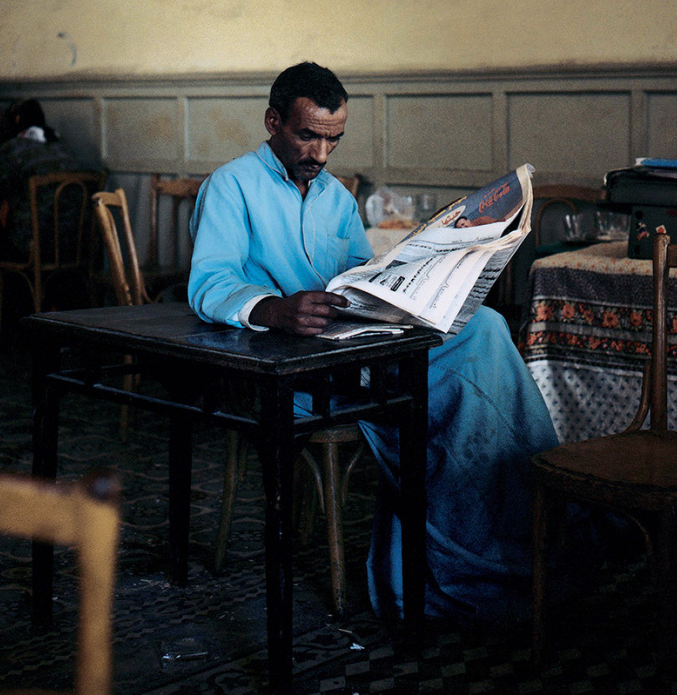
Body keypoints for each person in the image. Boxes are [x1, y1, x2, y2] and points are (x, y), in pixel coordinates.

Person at [187, 61, 560, 626]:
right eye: (306, 135)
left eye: (333, 140)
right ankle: (460, 566)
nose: (320, 154)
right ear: (272, 121)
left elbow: (358, 273)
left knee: (482, 332)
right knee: (467, 376)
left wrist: (407, 274)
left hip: (354, 350)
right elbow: (209, 282)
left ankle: (528, 534)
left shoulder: (336, 197)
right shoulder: (231, 186)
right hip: (289, 368)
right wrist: (274, 309)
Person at [0, 98, 84, 261]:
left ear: (17, 121)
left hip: (33, 246)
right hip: (77, 244)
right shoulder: (62, 146)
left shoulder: (16, 147)